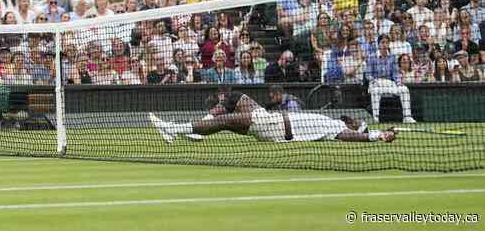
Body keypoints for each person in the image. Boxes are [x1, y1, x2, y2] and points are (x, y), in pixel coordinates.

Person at [149, 92, 397, 144]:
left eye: (354, 120)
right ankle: (193, 132)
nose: (350, 119)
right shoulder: (332, 120)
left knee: (225, 121)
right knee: (237, 97)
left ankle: (174, 128)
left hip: (276, 128)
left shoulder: (336, 129)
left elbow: (351, 136)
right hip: (272, 118)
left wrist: (376, 135)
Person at [365, 35, 416, 124]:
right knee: (375, 91)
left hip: (389, 85)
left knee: (404, 89)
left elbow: (395, 74)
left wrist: (398, 82)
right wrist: (373, 81)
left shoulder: (392, 57)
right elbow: (368, 74)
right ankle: (375, 118)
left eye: (387, 43)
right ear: (378, 44)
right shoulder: (371, 57)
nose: (385, 45)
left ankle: (407, 117)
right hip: (376, 84)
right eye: (382, 42)